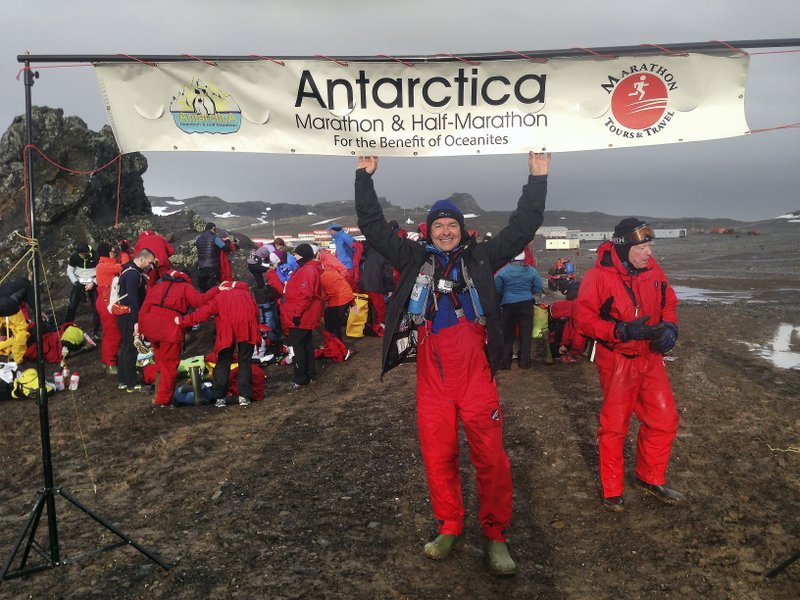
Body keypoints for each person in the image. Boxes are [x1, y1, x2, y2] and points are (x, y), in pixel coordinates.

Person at [354, 151, 551, 577]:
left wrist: (537, 177)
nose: (445, 231)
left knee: (491, 458)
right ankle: (449, 526)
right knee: (438, 455)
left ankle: (496, 535)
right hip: (432, 376)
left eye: (452, 225)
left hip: (475, 373)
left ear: (462, 230)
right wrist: (364, 177)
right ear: (428, 230)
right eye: (438, 225)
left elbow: (522, 227)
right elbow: (371, 227)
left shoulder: (482, 256)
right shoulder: (411, 258)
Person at [576, 218, 682, 512]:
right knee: (615, 425)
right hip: (618, 359)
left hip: (650, 357)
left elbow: (669, 302)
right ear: (624, 248)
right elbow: (583, 320)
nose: (649, 252)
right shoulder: (598, 277)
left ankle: (650, 478)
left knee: (664, 419)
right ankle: (612, 489)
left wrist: (671, 329)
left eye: (650, 246)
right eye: (643, 247)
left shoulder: (653, 271)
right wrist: (620, 331)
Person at [139, 269, 217, 406]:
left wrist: (141, 328)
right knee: (169, 366)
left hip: (150, 325)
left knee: (160, 360)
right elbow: (200, 301)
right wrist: (217, 289)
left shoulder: (158, 286)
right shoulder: (185, 287)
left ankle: (155, 388)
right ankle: (163, 400)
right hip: (169, 327)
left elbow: (144, 306)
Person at [177, 280, 260, 407]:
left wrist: (183, 320)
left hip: (227, 330)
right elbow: (256, 313)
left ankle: (220, 397)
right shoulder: (247, 294)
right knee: (245, 362)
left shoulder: (220, 296)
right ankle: (244, 396)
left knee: (223, 361)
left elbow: (203, 313)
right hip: (247, 328)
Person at [280, 243, 323, 389]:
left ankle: (300, 378)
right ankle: (310, 374)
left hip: (303, 314)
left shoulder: (308, 270)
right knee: (306, 344)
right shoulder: (307, 268)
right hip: (305, 313)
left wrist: (297, 314)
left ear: (302, 255)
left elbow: (306, 294)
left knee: (296, 346)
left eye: (297, 254)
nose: (295, 257)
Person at [494, 251, 543, 369]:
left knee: (507, 335)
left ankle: (505, 363)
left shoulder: (504, 271)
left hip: (508, 305)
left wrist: (504, 295)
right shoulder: (531, 270)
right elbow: (538, 286)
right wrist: (528, 292)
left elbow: (497, 288)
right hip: (526, 304)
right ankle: (525, 362)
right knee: (526, 334)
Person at [116, 248, 156, 393]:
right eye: (149, 262)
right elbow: (133, 299)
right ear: (141, 259)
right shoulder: (133, 275)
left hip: (123, 315)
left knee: (125, 347)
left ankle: (122, 380)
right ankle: (132, 383)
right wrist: (136, 322)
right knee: (131, 348)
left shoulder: (127, 269)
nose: (150, 266)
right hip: (129, 315)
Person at [94, 242, 123, 375]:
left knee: (108, 333)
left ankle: (106, 360)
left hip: (106, 302)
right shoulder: (104, 266)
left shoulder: (104, 265)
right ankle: (111, 363)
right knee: (113, 334)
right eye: (112, 252)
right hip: (107, 303)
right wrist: (125, 254)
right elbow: (121, 267)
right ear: (107, 253)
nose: (114, 253)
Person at [64, 242, 101, 339]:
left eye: (84, 254)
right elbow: (70, 271)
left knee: (96, 307)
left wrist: (93, 283)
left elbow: (101, 271)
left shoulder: (96, 255)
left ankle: (96, 332)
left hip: (92, 281)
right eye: (81, 255)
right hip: (79, 281)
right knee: (72, 305)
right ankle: (66, 329)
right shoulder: (75, 256)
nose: (82, 256)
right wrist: (75, 282)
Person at [195, 222, 228, 292]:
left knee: (203, 288)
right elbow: (225, 248)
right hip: (212, 267)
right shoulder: (215, 238)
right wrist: (227, 241)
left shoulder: (198, 239)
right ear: (213, 228)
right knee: (211, 288)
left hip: (201, 266)